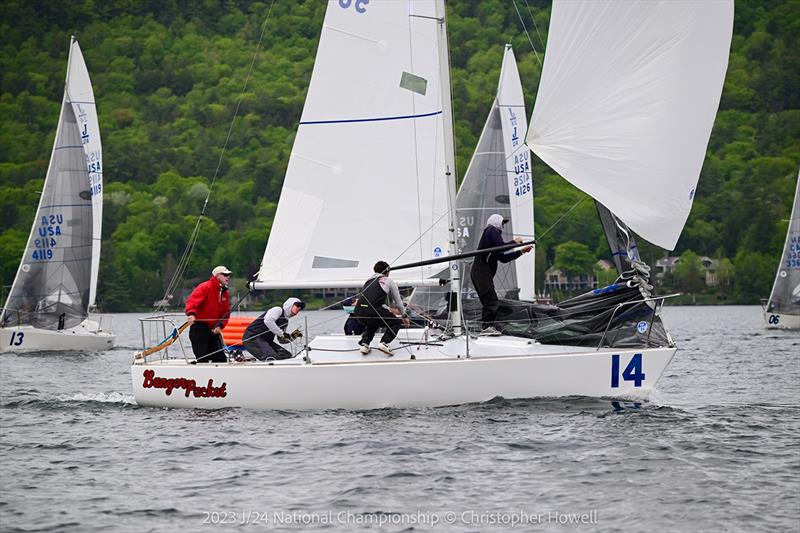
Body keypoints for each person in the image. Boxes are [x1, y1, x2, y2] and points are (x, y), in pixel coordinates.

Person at [470, 214, 532, 336]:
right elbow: (502, 247)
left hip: (479, 272)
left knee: (488, 302)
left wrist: (521, 252)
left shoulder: (492, 242)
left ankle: (487, 327)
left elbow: (503, 258)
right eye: (502, 223)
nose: (503, 226)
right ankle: (487, 328)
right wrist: (515, 241)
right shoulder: (491, 229)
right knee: (492, 301)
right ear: (496, 222)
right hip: (481, 271)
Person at [354, 261, 411, 356]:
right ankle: (384, 342)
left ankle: (365, 344)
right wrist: (404, 316)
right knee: (395, 322)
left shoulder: (368, 281)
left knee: (372, 323)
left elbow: (372, 301)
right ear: (387, 271)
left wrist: (386, 309)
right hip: (373, 310)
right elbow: (399, 303)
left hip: (359, 311)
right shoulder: (388, 281)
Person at [185, 266, 232, 363]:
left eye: (228, 275)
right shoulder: (205, 287)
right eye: (225, 275)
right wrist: (191, 314)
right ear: (217, 276)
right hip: (199, 328)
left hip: (214, 330)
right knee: (203, 358)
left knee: (220, 359)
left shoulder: (225, 292)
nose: (228, 277)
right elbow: (192, 301)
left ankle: (221, 377)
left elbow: (226, 313)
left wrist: (220, 325)